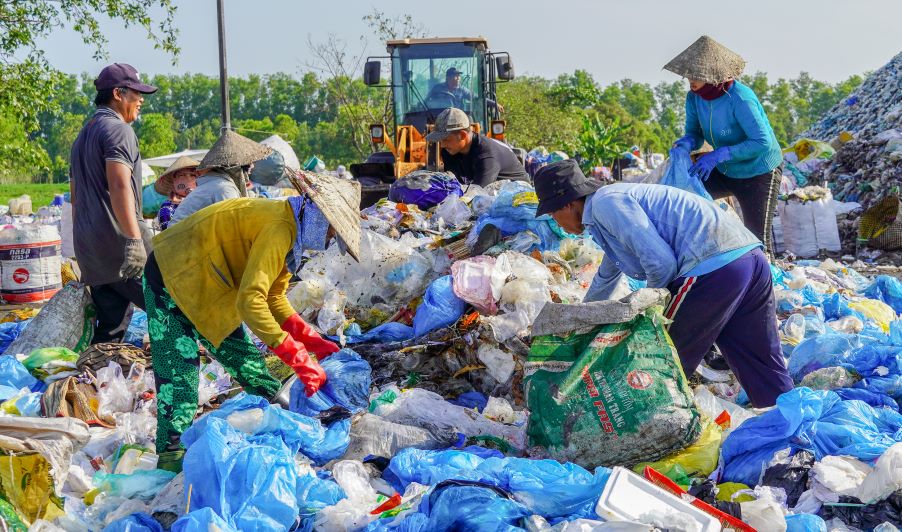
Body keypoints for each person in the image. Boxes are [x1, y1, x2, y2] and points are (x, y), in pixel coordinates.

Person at [533, 160, 793, 407]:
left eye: (552, 215)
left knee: (659, 354)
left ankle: (648, 432)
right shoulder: (605, 208)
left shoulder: (606, 204)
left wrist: (649, 307)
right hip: (749, 257)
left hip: (712, 265)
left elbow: (662, 265)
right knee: (760, 359)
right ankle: (791, 428)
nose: (558, 225)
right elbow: (608, 274)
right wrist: (581, 321)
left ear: (566, 205)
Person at [144, 172, 362, 452]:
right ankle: (172, 455)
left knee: (245, 361)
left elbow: (273, 296)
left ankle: (281, 414)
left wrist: (308, 338)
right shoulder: (279, 227)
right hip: (170, 274)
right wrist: (296, 356)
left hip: (209, 282)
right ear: (319, 217)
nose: (329, 239)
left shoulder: (290, 229)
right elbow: (251, 301)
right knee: (180, 373)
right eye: (331, 232)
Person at [665, 35, 783, 254]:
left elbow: (762, 142)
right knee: (686, 200)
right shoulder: (694, 97)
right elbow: (695, 133)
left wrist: (720, 154)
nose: (690, 79)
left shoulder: (740, 97)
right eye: (688, 74)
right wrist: (686, 143)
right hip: (725, 169)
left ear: (712, 75)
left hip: (758, 171)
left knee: (757, 240)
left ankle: (767, 280)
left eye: (696, 74)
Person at [69, 63, 158, 344]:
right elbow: (120, 185)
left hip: (93, 251)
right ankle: (179, 386)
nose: (141, 99)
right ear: (118, 93)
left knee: (111, 327)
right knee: (170, 311)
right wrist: (134, 241)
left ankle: (99, 382)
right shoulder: (118, 130)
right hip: (121, 246)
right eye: (136, 93)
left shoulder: (84, 135)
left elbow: (76, 197)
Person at [168, 130, 270, 226]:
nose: (252, 166)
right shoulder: (223, 188)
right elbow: (233, 223)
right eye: (249, 163)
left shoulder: (217, 183)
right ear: (238, 166)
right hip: (182, 242)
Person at [427, 108, 529, 187]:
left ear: (463, 135)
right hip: (491, 194)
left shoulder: (486, 153)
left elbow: (478, 191)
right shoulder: (449, 151)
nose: (443, 145)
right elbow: (453, 185)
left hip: (517, 197)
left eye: (446, 139)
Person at [427, 67, 504, 113]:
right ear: (448, 78)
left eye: (459, 76)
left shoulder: (462, 90)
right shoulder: (437, 88)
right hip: (438, 116)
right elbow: (427, 100)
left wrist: (495, 104)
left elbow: (478, 99)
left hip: (457, 117)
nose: (458, 78)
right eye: (455, 76)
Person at [153, 157, 200, 230]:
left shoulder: (202, 200)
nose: (188, 179)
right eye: (181, 175)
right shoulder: (167, 209)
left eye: (193, 175)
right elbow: (169, 235)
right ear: (173, 183)